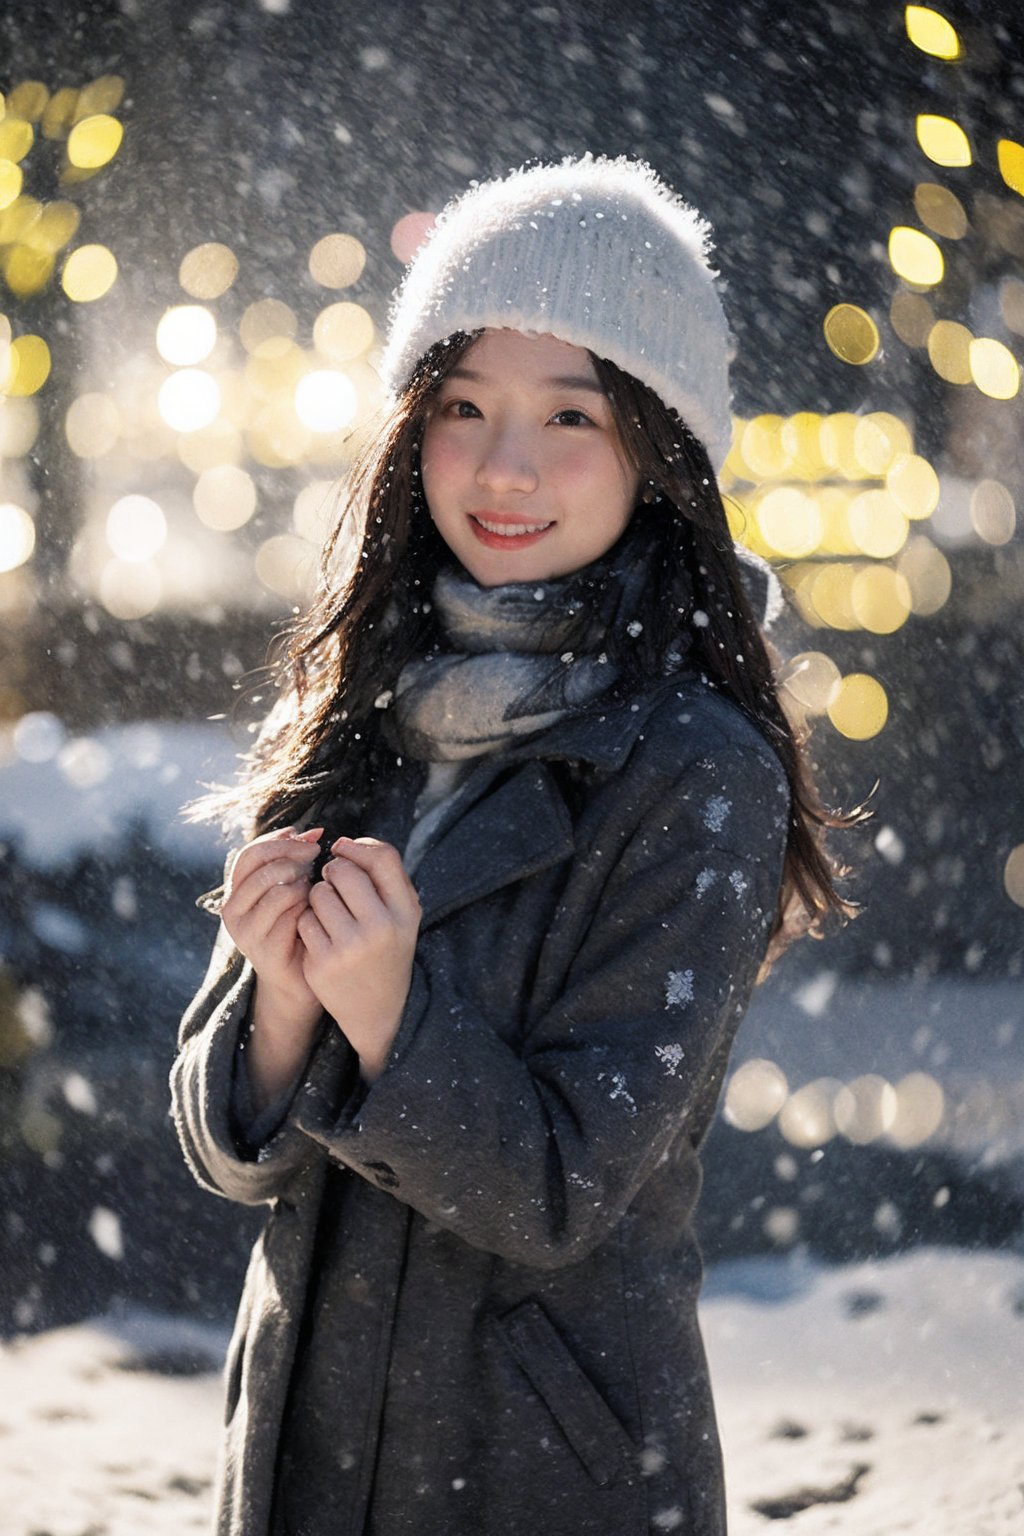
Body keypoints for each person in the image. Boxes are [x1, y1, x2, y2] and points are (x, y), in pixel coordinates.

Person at [171, 154, 860, 1536]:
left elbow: (560, 1190)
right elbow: (226, 1154)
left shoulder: (697, 772)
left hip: (545, 1477)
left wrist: (387, 1016)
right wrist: (285, 1010)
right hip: (302, 1460)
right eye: (466, 405)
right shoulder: (358, 713)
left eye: (572, 416)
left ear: (661, 454)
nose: (504, 466)